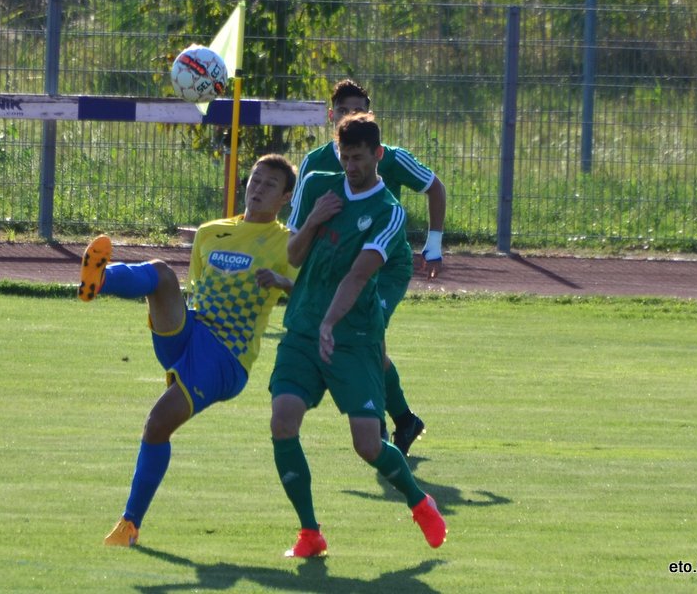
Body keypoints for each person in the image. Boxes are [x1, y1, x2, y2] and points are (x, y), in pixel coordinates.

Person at [78, 154, 298, 547]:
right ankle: (99, 279)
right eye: (254, 179)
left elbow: (309, 292)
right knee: (162, 274)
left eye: (269, 185)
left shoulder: (288, 242)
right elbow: (197, 287)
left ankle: (129, 525)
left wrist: (282, 280)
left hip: (226, 357)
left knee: (157, 423)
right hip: (191, 330)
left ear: (285, 197)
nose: (258, 189)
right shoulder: (211, 231)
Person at [270, 114, 447, 558]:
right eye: (345, 157)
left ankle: (419, 501)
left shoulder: (388, 211)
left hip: (353, 337)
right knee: (282, 420)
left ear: (377, 156)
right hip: (303, 328)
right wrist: (312, 220)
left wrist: (331, 323)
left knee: (367, 445)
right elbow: (292, 255)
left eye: (359, 158)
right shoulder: (317, 185)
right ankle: (310, 533)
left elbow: (358, 275)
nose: (351, 166)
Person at [294, 79, 448, 455]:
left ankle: (375, 421)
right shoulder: (314, 167)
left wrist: (433, 244)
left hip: (387, 267)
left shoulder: (388, 157)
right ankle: (403, 419)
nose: (353, 116)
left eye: (360, 109)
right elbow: (297, 231)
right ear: (332, 116)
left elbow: (435, 187)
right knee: (371, 344)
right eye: (345, 110)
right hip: (340, 267)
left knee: (365, 336)